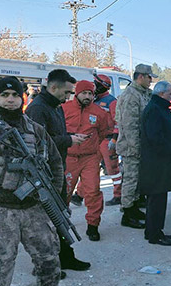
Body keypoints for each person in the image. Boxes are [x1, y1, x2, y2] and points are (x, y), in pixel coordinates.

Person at [0, 76, 63, 285]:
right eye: (4, 95)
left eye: (15, 95)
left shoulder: (35, 129)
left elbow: (55, 162)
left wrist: (51, 194)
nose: (10, 100)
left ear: (23, 98)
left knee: (49, 262)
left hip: (34, 207)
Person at [26, 69, 91, 272]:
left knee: (60, 217)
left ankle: (65, 257)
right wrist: (69, 139)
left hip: (57, 171)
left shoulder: (56, 106)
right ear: (53, 87)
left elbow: (56, 134)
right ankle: (43, 265)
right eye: (66, 92)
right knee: (45, 222)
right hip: (44, 175)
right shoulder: (38, 109)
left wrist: (70, 135)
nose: (68, 97)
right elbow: (37, 143)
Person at [62, 80, 111, 241]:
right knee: (65, 192)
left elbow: (104, 131)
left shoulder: (99, 112)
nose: (87, 96)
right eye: (84, 93)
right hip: (69, 157)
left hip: (90, 157)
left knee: (93, 191)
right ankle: (61, 223)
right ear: (77, 93)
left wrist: (92, 147)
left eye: (90, 93)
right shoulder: (64, 109)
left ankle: (93, 225)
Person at [115, 64, 156, 229]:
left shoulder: (142, 94)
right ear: (141, 77)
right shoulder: (132, 96)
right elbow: (130, 125)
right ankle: (127, 213)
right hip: (131, 147)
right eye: (149, 77)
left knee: (137, 179)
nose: (151, 80)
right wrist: (136, 148)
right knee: (130, 180)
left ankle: (133, 207)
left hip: (138, 145)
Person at [138, 81, 171, 246]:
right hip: (156, 163)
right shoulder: (155, 109)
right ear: (161, 94)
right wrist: (169, 149)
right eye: (169, 94)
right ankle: (155, 234)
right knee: (156, 200)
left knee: (157, 199)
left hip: (157, 162)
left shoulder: (158, 107)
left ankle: (153, 231)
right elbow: (155, 137)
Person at [94, 74, 122, 206]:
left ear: (103, 86)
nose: (94, 86)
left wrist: (114, 140)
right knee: (91, 167)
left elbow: (118, 122)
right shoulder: (94, 101)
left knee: (113, 170)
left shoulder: (112, 102)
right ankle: (80, 194)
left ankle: (119, 195)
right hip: (96, 140)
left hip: (108, 140)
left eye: (96, 83)